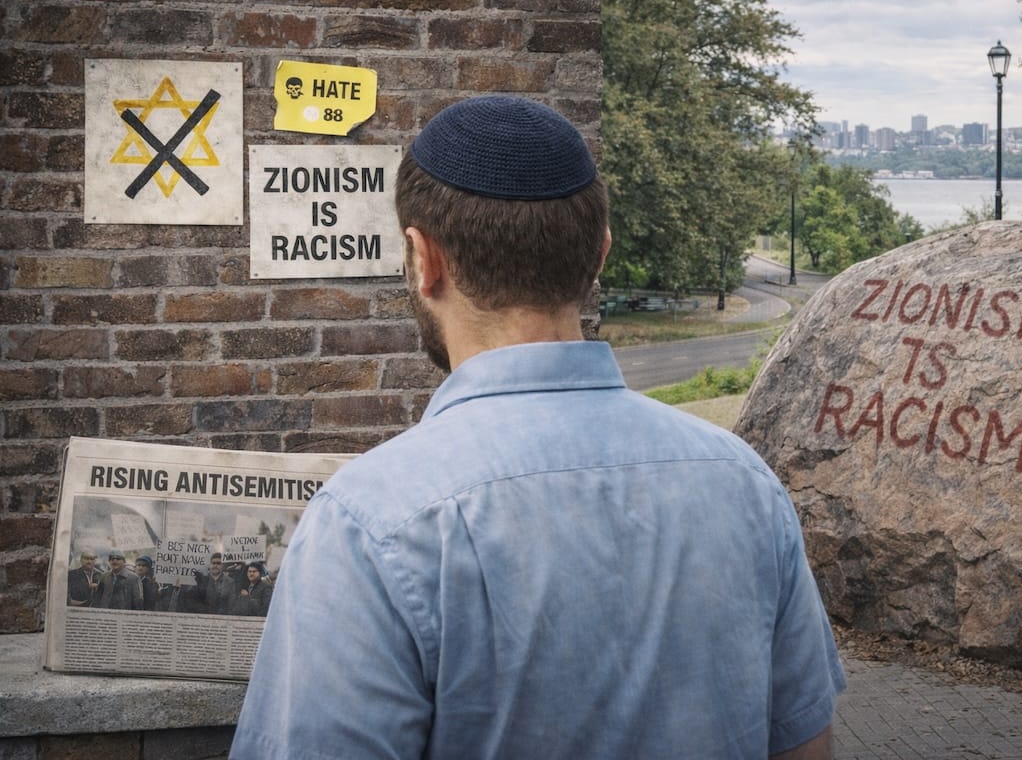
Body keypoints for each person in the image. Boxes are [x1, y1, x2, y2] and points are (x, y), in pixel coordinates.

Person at [232, 95, 845, 760]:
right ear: (599, 254)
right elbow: (804, 746)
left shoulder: (371, 523)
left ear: (422, 258)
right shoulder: (745, 484)